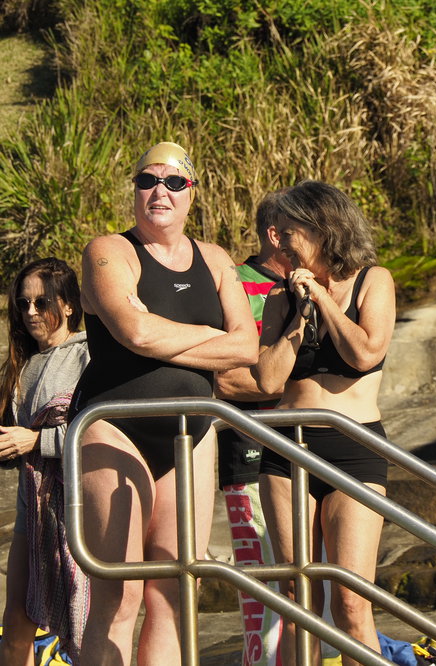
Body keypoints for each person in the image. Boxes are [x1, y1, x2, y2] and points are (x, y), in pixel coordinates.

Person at [71, 141, 258, 663]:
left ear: (191, 194)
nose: (160, 191)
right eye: (148, 180)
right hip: (115, 425)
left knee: (175, 592)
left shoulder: (216, 258)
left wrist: (161, 332)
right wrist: (204, 337)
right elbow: (133, 332)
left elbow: (246, 348)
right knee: (118, 592)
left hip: (191, 434)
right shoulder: (108, 251)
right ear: (134, 190)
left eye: (175, 182)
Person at [254, 180, 396, 666]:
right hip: (285, 449)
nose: (281, 242)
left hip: (353, 447)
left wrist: (326, 300)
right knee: (299, 602)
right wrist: (298, 318)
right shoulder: (280, 298)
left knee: (351, 601)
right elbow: (269, 380)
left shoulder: (373, 280)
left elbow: (365, 352)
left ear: (323, 229)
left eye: (290, 232)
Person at [214, 189, 292, 666]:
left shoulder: (314, 285)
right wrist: (279, 383)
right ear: (274, 235)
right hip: (249, 454)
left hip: (309, 454)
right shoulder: (235, 284)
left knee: (314, 587)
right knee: (262, 596)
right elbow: (222, 377)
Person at [0, 258, 89, 664]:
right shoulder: (19, 364)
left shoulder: (89, 356)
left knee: (87, 624)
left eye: (41, 301)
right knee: (15, 624)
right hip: (30, 514)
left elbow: (100, 430)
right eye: (23, 304)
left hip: (80, 511)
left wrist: (37, 439)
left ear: (69, 304)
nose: (31, 312)